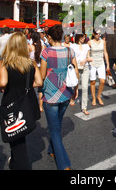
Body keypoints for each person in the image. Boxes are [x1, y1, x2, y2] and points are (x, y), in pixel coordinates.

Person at [0, 32, 42, 170]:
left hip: (11, 102)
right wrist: (26, 86)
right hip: (27, 102)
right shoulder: (31, 62)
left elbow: (3, 82)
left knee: (16, 140)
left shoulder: (5, 62)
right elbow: (39, 82)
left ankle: (20, 165)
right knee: (19, 138)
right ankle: (15, 163)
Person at [39, 24, 79, 170]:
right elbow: (75, 72)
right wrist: (76, 89)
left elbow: (42, 76)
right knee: (57, 125)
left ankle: (64, 165)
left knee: (55, 130)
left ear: (49, 37)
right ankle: (51, 150)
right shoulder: (70, 50)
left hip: (50, 94)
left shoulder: (46, 52)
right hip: (66, 93)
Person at [88, 29, 110, 106]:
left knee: (102, 81)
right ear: (93, 34)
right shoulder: (90, 42)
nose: (99, 35)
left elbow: (105, 52)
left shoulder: (103, 42)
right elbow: (87, 53)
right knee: (93, 81)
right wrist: (88, 58)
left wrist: (108, 64)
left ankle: (98, 96)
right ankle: (94, 98)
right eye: (97, 33)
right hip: (92, 63)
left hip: (101, 63)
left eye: (100, 34)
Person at [71, 33, 91, 114]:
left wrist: (85, 61)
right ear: (78, 37)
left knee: (85, 88)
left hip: (85, 67)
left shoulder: (86, 46)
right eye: (82, 37)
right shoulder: (73, 46)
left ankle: (84, 108)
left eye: (84, 37)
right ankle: (72, 98)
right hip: (76, 67)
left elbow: (88, 57)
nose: (83, 38)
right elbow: (72, 57)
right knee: (75, 85)